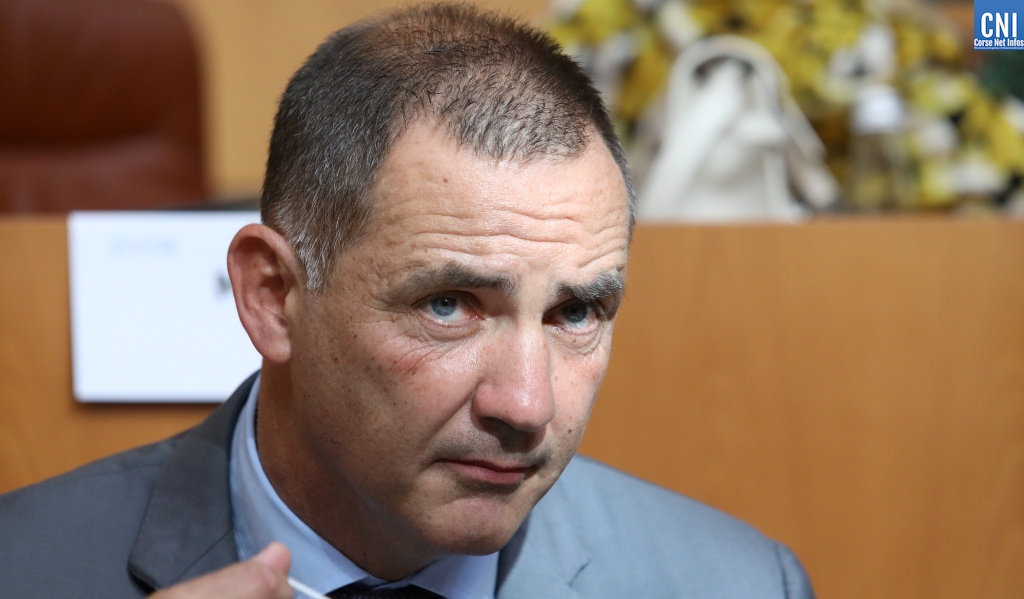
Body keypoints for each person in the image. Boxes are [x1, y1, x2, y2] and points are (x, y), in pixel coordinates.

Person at [0, 4, 814, 598]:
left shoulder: (738, 583)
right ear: (273, 296)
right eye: (450, 305)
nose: (528, 405)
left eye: (574, 313)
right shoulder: (22, 567)